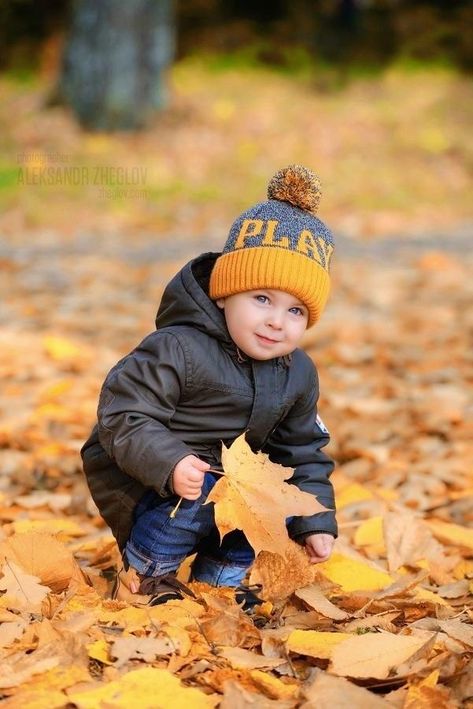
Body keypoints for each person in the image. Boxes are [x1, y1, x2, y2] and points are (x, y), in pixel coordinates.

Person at [81, 164, 337, 605]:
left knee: (261, 508)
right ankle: (147, 575)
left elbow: (303, 452)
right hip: (150, 479)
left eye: (296, 311)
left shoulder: (298, 373)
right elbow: (124, 414)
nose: (277, 321)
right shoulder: (176, 347)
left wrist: (313, 521)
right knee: (196, 504)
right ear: (224, 293)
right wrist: (170, 462)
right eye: (262, 299)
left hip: (233, 487)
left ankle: (219, 584)